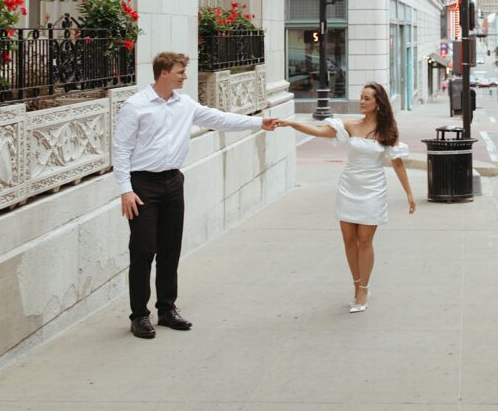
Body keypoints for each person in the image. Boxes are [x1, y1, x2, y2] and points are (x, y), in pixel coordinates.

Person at [113, 51, 276, 339]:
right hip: (142, 186)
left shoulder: (184, 104)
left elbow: (220, 119)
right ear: (164, 73)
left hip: (173, 182)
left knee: (170, 247)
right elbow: (121, 150)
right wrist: (125, 190)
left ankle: (167, 309)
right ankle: (139, 315)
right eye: (180, 71)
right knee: (142, 250)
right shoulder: (135, 106)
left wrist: (258, 122)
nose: (185, 76)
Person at [277, 81, 415, 313]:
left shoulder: (387, 130)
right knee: (349, 241)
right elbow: (319, 131)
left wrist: (409, 193)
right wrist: (291, 123)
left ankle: (364, 288)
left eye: (367, 98)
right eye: (361, 97)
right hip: (349, 185)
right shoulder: (350, 125)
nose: (361, 101)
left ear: (378, 103)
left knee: (365, 241)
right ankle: (356, 285)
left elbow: (397, 162)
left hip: (373, 188)